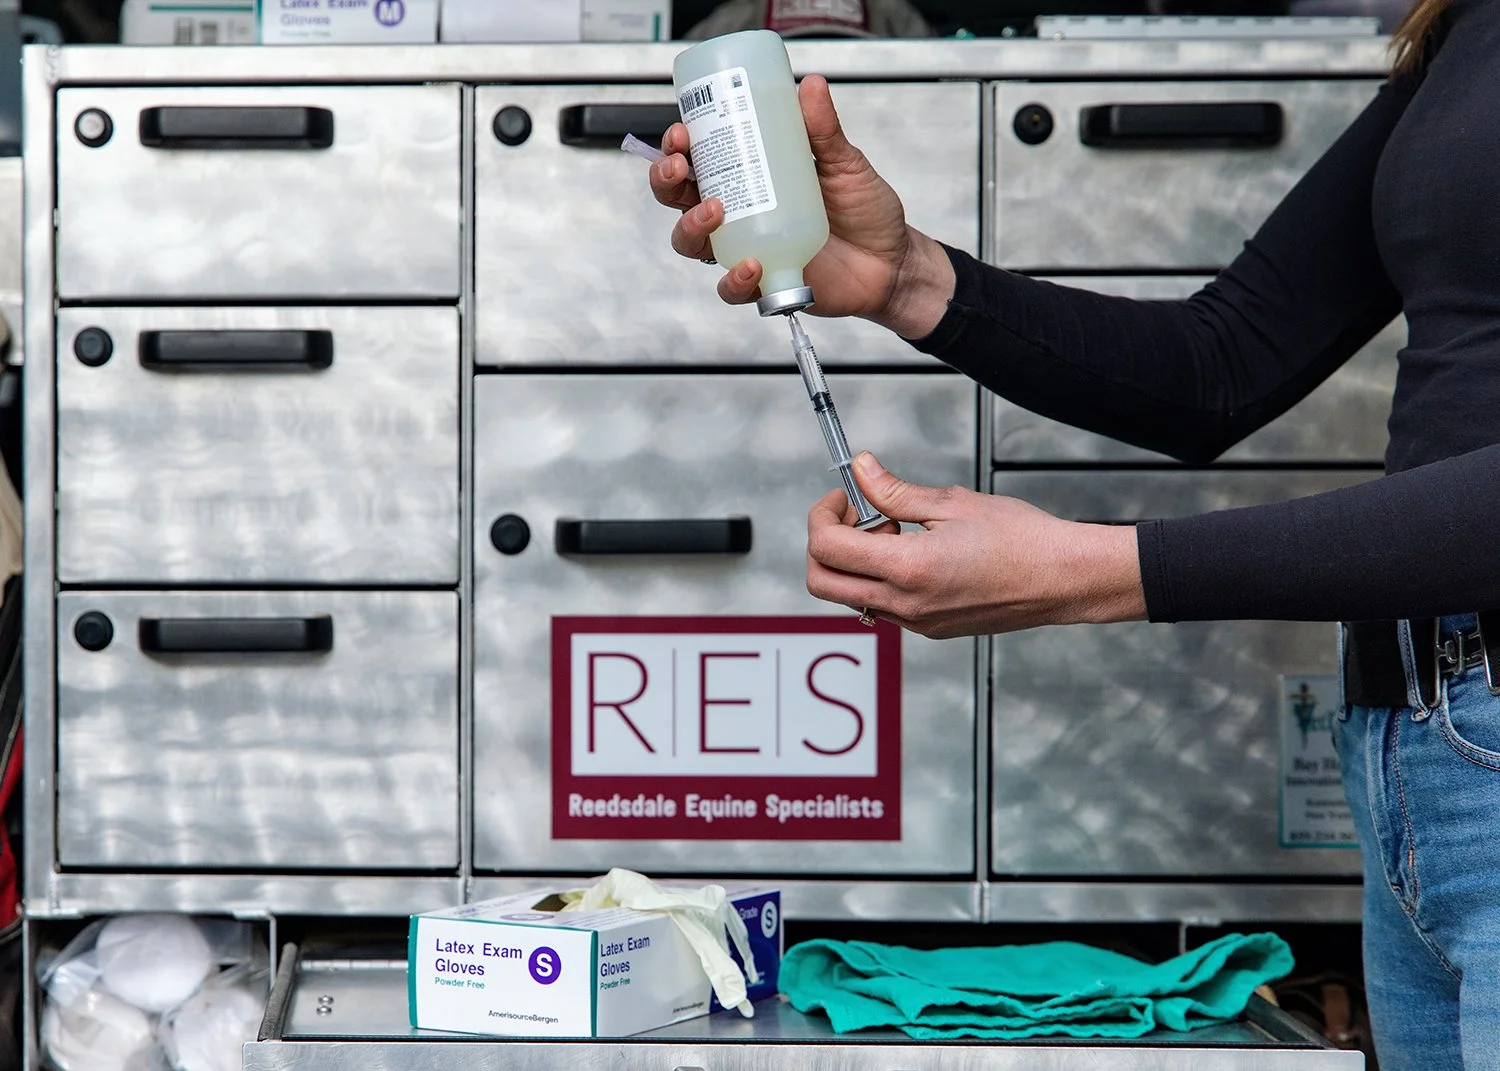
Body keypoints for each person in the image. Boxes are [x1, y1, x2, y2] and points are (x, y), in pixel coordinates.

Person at [648, 1, 1499, 1067]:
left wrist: (1095, 571)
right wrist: (904, 276)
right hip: (1416, 745)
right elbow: (1223, 363)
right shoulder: (1467, 28)